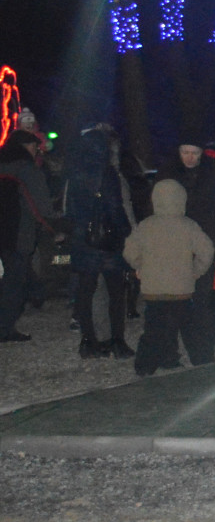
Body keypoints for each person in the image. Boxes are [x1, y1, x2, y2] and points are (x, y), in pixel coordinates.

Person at [122, 179, 215, 375]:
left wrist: (141, 266)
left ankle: (146, 367)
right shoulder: (188, 226)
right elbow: (207, 251)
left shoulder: (146, 226)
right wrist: (195, 271)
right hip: (182, 289)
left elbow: (129, 251)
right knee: (190, 328)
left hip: (153, 290)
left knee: (154, 329)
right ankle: (203, 361)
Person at [155, 139, 215, 356]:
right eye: (185, 152)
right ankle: (170, 353)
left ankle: (202, 352)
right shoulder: (167, 175)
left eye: (194, 153)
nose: (189, 157)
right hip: (175, 247)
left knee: (201, 301)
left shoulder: (212, 174)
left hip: (204, 247)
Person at [65, 123, 135, 359]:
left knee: (86, 292)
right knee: (116, 293)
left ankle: (89, 341)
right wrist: (126, 233)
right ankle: (117, 340)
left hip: (82, 239)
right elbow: (115, 208)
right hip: (107, 240)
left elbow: (71, 210)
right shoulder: (107, 173)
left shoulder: (75, 174)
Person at [0, 133, 58, 343]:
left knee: (15, 274)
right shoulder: (27, 170)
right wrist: (55, 227)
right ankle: (4, 328)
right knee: (14, 282)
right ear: (25, 146)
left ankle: (38, 293)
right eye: (35, 147)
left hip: (4, 233)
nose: (37, 151)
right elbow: (40, 205)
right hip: (18, 233)